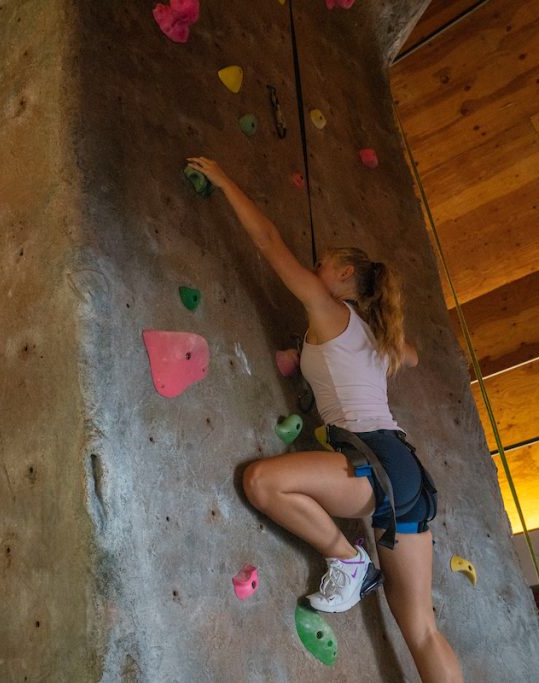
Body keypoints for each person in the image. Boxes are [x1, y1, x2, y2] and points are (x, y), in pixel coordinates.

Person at [186, 157, 463, 682]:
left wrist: (224, 180)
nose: (313, 272)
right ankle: (351, 563)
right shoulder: (377, 338)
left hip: (373, 461)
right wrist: (391, 343)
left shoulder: (330, 310)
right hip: (402, 472)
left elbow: (268, 241)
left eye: (322, 265)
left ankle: (347, 560)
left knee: (263, 482)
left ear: (342, 277)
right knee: (423, 631)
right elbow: (413, 356)